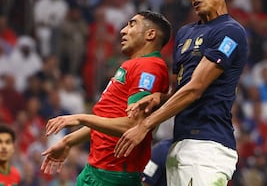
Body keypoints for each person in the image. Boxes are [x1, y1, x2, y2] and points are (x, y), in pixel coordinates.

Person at [114, 0, 249, 185]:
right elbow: (181, 90)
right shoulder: (185, 33)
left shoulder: (231, 31)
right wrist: (160, 97)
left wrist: (145, 125)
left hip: (208, 146)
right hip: (179, 144)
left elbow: (195, 89)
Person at [41, 11, 172, 186]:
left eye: (132, 24)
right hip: (97, 169)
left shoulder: (149, 67)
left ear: (151, 34)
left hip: (114, 175)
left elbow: (133, 126)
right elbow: (108, 120)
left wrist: (80, 117)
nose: (123, 31)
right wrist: (68, 141)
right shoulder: (134, 64)